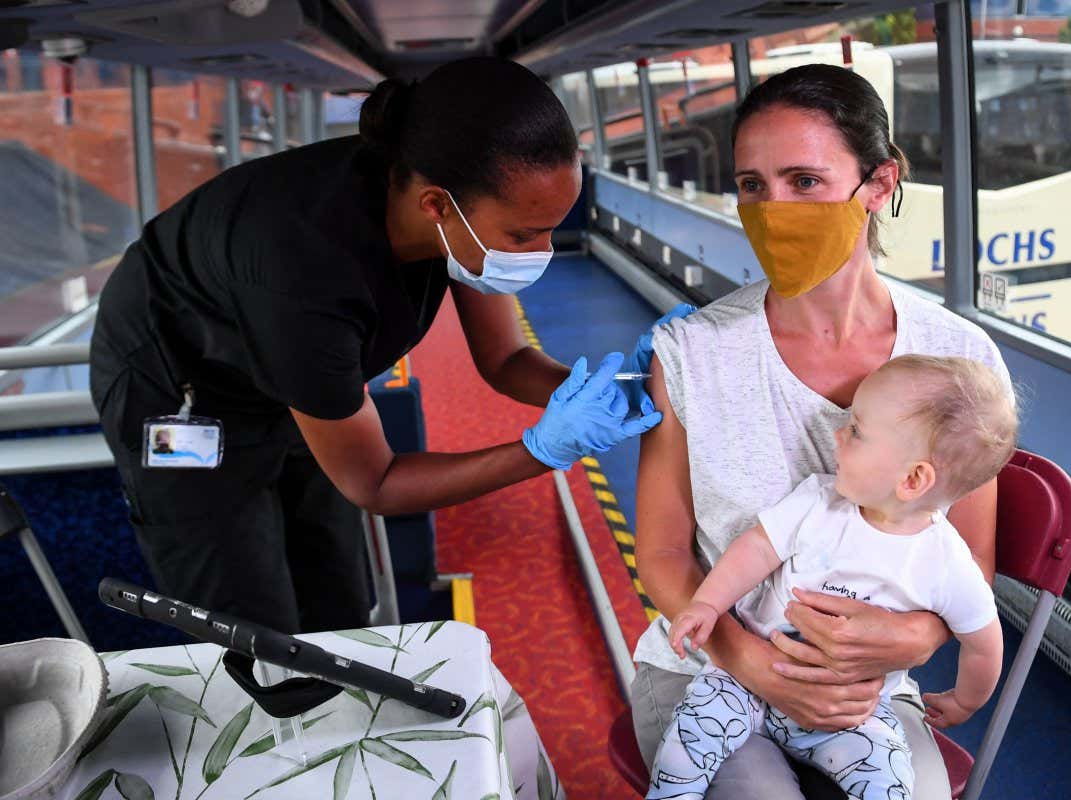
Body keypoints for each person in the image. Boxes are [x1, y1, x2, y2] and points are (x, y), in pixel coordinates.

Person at [89, 57, 690, 635]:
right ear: (436, 206)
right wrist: (543, 450)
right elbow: (376, 483)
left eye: (552, 229)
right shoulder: (307, 275)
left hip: (291, 377)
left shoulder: (449, 201)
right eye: (523, 235)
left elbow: (506, 360)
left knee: (337, 594)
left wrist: (621, 391)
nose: (543, 253)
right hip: (181, 390)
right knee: (250, 623)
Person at [631, 63, 1013, 800]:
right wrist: (752, 662)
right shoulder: (690, 353)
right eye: (752, 185)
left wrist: (915, 637)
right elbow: (664, 552)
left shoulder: (961, 361)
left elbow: (967, 558)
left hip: (867, 687)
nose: (773, 209)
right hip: (707, 668)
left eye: (804, 181)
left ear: (878, 183)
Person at [645, 355, 1015, 800]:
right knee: (690, 739)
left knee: (890, 780)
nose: (838, 435)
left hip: (852, 711)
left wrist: (966, 699)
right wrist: (707, 603)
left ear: (913, 478)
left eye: (856, 431)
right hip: (745, 682)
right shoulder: (819, 502)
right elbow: (756, 549)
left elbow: (984, 642)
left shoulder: (946, 562)